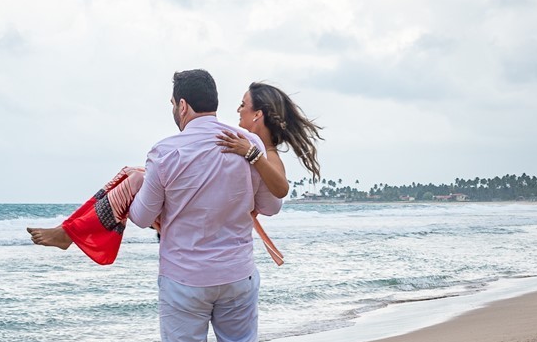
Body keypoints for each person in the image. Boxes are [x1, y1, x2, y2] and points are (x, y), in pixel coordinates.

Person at [126, 69, 284, 342]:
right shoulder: (246, 143)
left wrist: (139, 182)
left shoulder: (165, 152)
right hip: (237, 273)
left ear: (182, 105)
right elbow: (270, 206)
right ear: (213, 101)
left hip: (184, 278)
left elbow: (143, 217)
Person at [26, 81, 322, 264]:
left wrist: (251, 153)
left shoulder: (261, 152)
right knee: (135, 176)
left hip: (203, 231)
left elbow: (276, 198)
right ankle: (70, 231)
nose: (237, 111)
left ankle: (70, 233)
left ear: (257, 115)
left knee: (135, 177)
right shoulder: (240, 144)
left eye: (243, 106)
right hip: (212, 231)